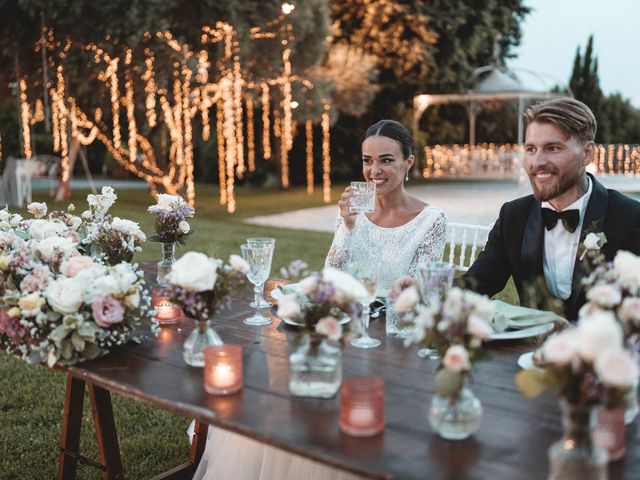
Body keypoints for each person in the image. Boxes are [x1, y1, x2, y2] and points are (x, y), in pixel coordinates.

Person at [463, 97, 640, 320]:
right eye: (530, 149)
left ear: (587, 153)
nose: (536, 162)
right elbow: (475, 285)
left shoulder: (631, 218)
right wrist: (423, 291)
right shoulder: (513, 216)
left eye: (552, 148)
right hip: (531, 354)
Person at [325, 119, 447, 291]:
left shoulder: (431, 220)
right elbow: (330, 280)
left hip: (396, 315)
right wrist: (347, 226)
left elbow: (419, 292)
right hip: (348, 313)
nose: (374, 171)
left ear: (408, 163)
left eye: (386, 160)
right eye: (367, 160)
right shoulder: (352, 210)